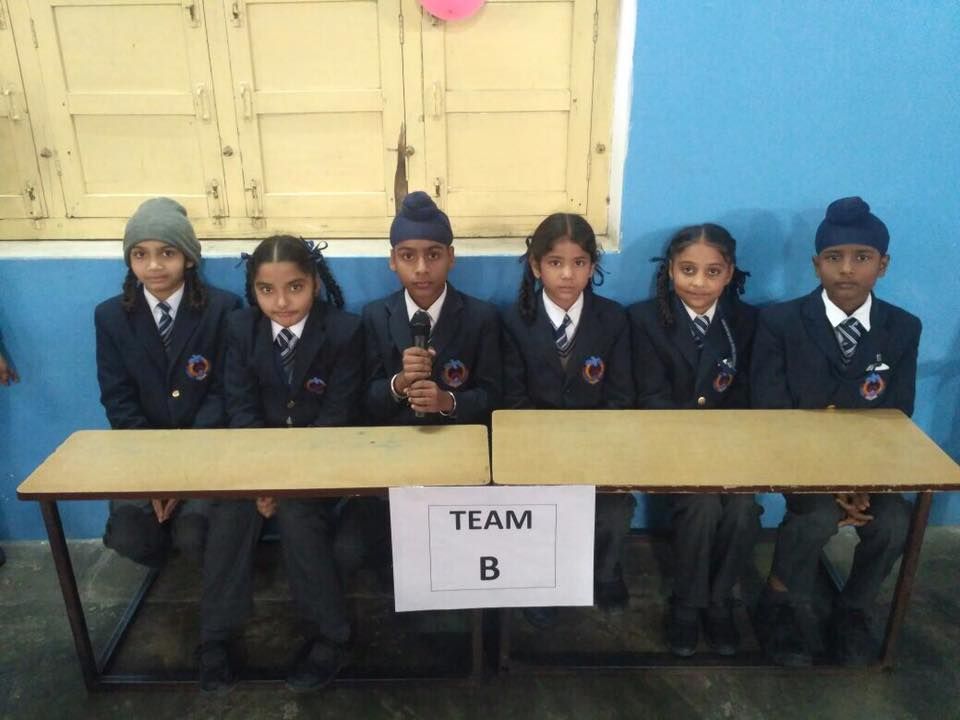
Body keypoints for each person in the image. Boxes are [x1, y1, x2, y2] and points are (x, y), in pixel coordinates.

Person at [751, 196, 920, 666]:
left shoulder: (902, 327)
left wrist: (861, 481)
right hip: (797, 459)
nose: (846, 269)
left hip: (867, 466)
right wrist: (829, 481)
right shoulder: (780, 322)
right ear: (816, 264)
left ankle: (853, 610)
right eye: (834, 257)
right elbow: (771, 409)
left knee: (894, 520)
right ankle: (778, 602)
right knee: (817, 515)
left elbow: (896, 414)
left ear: (883, 265)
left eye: (861, 257)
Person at [199, 235, 363, 692]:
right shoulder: (240, 329)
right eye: (266, 290)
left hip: (322, 463)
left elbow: (335, 418)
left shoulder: (344, 331)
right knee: (231, 508)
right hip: (255, 461)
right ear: (253, 290)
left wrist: (284, 484)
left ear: (315, 283)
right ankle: (214, 637)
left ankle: (332, 635)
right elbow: (241, 409)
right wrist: (262, 481)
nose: (282, 302)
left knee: (297, 511)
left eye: (295, 287)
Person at [341, 191, 502, 583]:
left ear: (451, 257)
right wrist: (398, 384)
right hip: (394, 450)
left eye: (433, 255)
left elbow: (496, 396)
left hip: (458, 451)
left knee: (451, 550)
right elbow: (361, 399)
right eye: (408, 256)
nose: (421, 268)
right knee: (353, 552)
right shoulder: (375, 316)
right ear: (392, 260)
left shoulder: (480, 317)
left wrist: (448, 401)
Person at [629, 223, 761, 656]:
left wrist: (726, 449)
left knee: (742, 509)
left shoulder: (746, 322)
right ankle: (687, 604)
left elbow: (748, 397)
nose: (699, 283)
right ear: (670, 269)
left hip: (731, 448)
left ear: (729, 273)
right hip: (669, 446)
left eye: (712, 272)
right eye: (688, 270)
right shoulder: (644, 320)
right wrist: (696, 448)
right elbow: (650, 397)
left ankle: (719, 601)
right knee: (701, 506)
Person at [501, 213, 635, 622]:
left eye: (579, 263)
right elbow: (511, 399)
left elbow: (621, 396)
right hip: (534, 449)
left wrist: (587, 446)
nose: (567, 274)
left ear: (592, 267)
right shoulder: (512, 321)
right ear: (535, 265)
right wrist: (550, 450)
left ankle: (605, 573)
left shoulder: (613, 319)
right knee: (537, 507)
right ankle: (541, 579)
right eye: (555, 262)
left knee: (614, 509)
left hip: (597, 446)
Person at [94, 197, 240, 568]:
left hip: (206, 445)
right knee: (129, 535)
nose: (154, 265)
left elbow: (225, 391)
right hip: (141, 450)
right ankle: (163, 554)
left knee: (195, 531)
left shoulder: (223, 308)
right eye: (140, 254)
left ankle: (201, 557)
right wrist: (156, 471)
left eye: (167, 253)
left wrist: (182, 465)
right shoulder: (111, 316)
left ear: (188, 258)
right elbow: (118, 397)